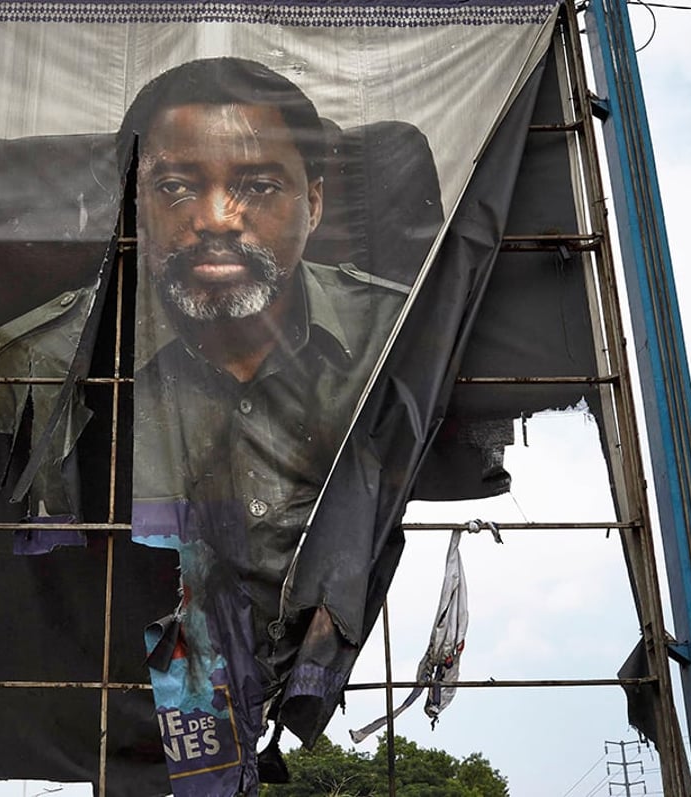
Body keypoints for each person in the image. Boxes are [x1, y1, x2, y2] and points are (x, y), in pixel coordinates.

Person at [125, 58, 412, 793]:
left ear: (313, 204)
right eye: (176, 187)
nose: (216, 217)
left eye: (257, 186)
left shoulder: (405, 335)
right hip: (143, 699)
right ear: (137, 203)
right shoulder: (56, 364)